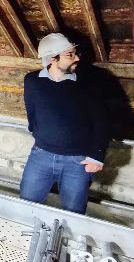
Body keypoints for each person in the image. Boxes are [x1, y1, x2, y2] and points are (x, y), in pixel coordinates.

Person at [19, 33, 110, 214]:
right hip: (40, 156)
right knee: (26, 207)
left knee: (74, 213)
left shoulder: (89, 84)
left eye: (75, 53)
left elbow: (102, 121)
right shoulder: (32, 81)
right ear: (53, 58)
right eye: (70, 55)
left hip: (77, 161)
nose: (77, 58)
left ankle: (71, 242)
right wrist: (43, 136)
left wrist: (97, 155)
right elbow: (32, 114)